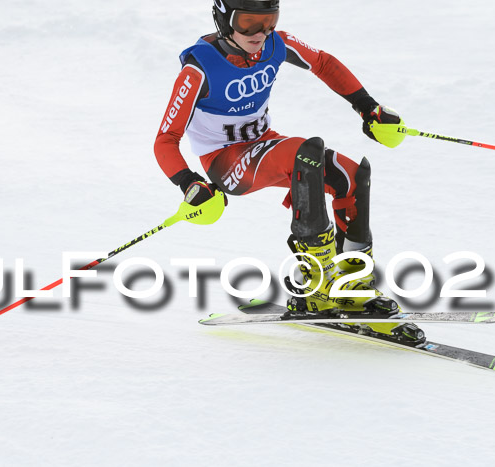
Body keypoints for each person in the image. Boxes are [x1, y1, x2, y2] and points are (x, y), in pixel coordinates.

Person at [154, 0, 425, 346]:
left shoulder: (275, 43)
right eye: (248, 22)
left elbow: (323, 62)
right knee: (304, 152)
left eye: (268, 21)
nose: (260, 33)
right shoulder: (199, 68)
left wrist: (367, 107)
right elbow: (165, 139)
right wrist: (189, 183)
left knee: (351, 176)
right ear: (224, 20)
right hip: (227, 163)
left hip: (265, 147)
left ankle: (352, 284)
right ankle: (317, 286)